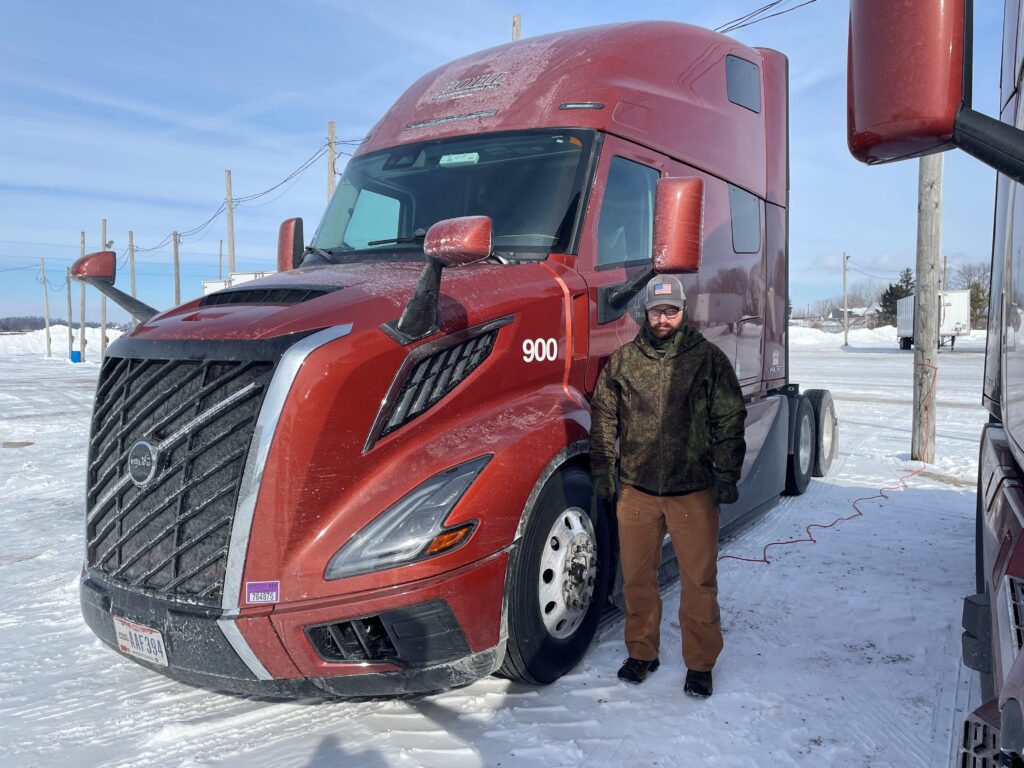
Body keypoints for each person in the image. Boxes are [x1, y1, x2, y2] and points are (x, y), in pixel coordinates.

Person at [590, 275, 746, 698]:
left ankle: (700, 664)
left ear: (683, 312)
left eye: (671, 311)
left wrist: (726, 474)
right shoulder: (623, 361)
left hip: (692, 491)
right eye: (657, 311)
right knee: (637, 580)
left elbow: (729, 418)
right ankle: (642, 653)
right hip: (637, 491)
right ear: (646, 312)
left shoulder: (708, 360)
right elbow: (604, 417)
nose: (663, 318)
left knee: (699, 583)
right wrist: (604, 469)